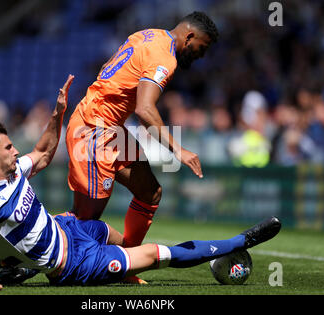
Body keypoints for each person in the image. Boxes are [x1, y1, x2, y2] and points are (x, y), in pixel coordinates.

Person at [0, 75, 281, 292]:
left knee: (124, 242)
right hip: (75, 264)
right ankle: (240, 242)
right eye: (9, 148)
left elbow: (42, 153)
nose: (16, 150)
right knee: (157, 255)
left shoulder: (13, 171)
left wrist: (58, 113)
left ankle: (24, 267)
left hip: (70, 229)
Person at [65, 13, 220, 280]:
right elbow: (145, 110)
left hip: (108, 127)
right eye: (201, 48)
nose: (200, 55)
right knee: (85, 220)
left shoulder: (148, 34)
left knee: (149, 191)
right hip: (92, 128)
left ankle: (129, 263)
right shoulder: (165, 58)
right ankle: (24, 247)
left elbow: (109, 65)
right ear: (190, 36)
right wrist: (178, 150)